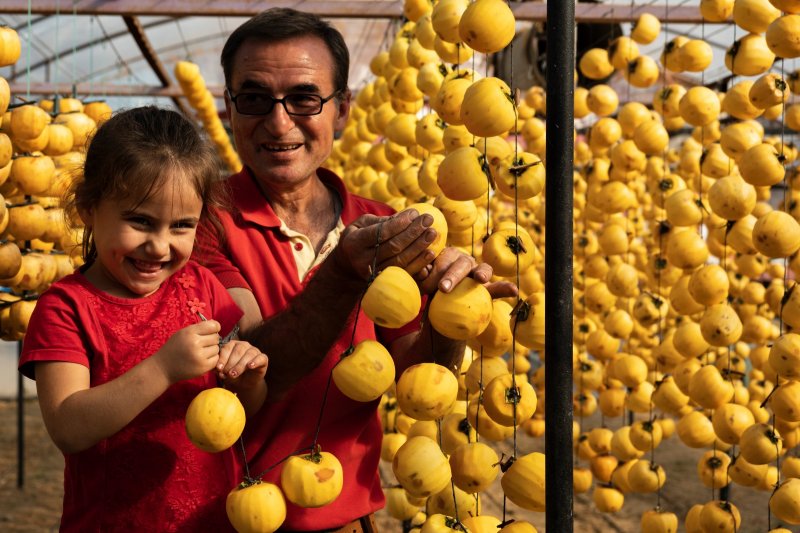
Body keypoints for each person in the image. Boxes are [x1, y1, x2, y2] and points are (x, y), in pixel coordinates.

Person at [194, 7, 517, 532]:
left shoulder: (380, 224)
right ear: (229, 108)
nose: (279, 122)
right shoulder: (200, 221)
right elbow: (252, 369)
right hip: (223, 518)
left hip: (344, 517)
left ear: (341, 110)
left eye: (304, 98)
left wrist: (452, 305)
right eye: (254, 98)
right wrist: (343, 272)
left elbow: (416, 373)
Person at [18, 106, 268, 532]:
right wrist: (163, 368)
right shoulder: (66, 308)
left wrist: (248, 381)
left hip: (212, 521)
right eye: (141, 221)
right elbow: (69, 427)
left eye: (181, 226)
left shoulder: (202, 287)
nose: (159, 246)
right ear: (88, 208)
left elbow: (244, 408)